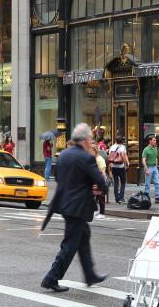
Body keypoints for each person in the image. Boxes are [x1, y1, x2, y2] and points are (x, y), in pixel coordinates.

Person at [40, 123, 109, 293]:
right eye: (91, 139)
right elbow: (100, 181)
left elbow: (59, 178)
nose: (91, 142)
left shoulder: (63, 155)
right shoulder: (85, 157)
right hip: (78, 207)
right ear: (86, 140)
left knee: (83, 237)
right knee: (70, 245)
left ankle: (90, 274)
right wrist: (102, 187)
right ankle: (51, 278)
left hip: (66, 204)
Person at [91, 145, 111, 219]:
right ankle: (95, 210)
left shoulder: (99, 159)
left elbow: (102, 171)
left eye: (91, 151)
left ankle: (102, 213)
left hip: (100, 179)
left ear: (94, 151)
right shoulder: (94, 158)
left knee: (100, 197)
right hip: (94, 179)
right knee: (91, 195)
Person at [108, 137, 128, 204]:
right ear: (121, 141)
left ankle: (117, 199)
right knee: (123, 182)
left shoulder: (112, 147)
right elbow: (124, 156)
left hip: (114, 166)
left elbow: (110, 157)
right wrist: (126, 165)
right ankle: (121, 198)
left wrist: (110, 166)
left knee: (116, 183)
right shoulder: (122, 147)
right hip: (121, 167)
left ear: (115, 140)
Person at [141, 135, 159, 201]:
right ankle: (146, 198)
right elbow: (143, 160)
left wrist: (156, 165)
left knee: (157, 183)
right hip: (148, 168)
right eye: (154, 140)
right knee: (147, 184)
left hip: (155, 167)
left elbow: (156, 157)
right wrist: (146, 169)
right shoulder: (146, 150)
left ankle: (157, 198)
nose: (155, 141)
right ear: (150, 141)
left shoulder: (155, 148)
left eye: (155, 140)